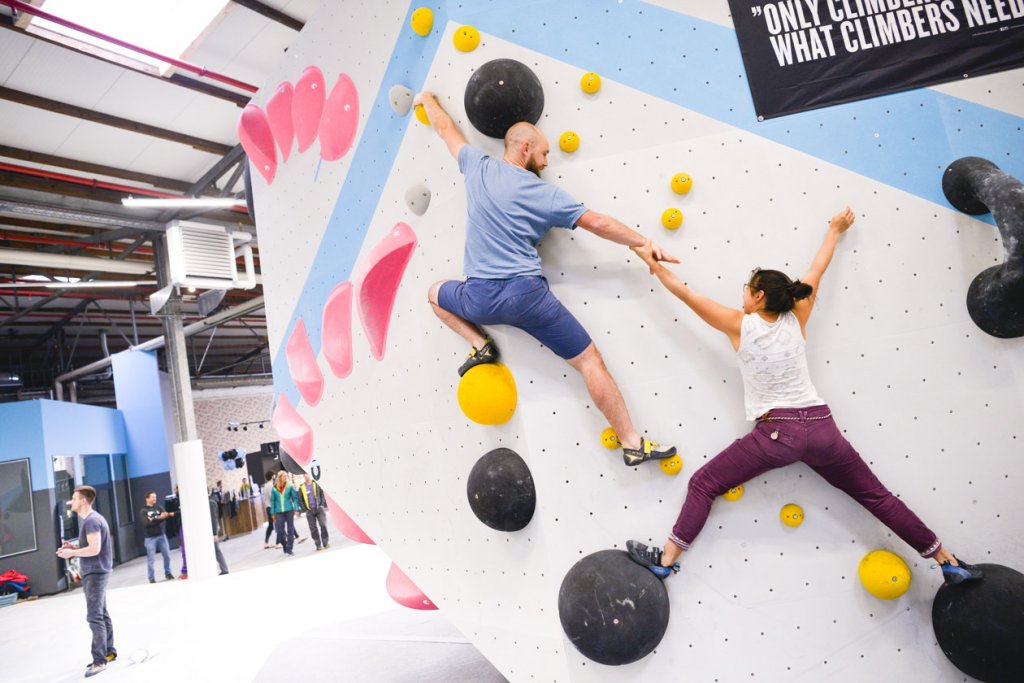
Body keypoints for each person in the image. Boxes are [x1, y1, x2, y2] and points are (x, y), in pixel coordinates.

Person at [624, 207, 984, 587]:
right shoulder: (799, 315)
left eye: (746, 288)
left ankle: (666, 560)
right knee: (876, 496)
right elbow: (817, 269)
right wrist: (834, 230)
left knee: (703, 483)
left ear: (759, 295)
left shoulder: (739, 325)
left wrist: (652, 264)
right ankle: (946, 560)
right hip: (823, 428)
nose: (742, 294)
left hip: (779, 433)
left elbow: (685, 293)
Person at [415, 91, 679, 467]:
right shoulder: (545, 194)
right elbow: (599, 223)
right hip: (526, 296)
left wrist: (427, 99)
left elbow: (445, 130)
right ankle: (632, 443)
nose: (546, 158)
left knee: (434, 292)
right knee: (590, 361)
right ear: (525, 147)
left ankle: (479, 344)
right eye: (543, 152)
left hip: (480, 300)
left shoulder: (478, 167)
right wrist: (642, 243)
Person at [56, 486, 115, 678]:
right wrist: (74, 546)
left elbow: (95, 549)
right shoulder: (92, 520)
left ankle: (99, 661)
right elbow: (90, 546)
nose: (71, 502)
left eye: (74, 499)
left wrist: (71, 553)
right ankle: (109, 651)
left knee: (94, 616)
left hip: (96, 573)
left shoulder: (91, 521)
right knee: (102, 613)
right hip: (98, 571)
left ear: (83, 501)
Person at [140, 491, 175, 584]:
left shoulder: (158, 507)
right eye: (152, 497)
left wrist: (154, 519)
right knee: (151, 558)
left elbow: (165, 516)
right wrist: (159, 518)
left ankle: (168, 573)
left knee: (167, 555)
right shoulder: (143, 511)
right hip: (150, 538)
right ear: (147, 498)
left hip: (161, 536)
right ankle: (151, 578)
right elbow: (146, 524)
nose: (154, 499)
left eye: (155, 497)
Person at [296, 473, 330, 551]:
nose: (305, 476)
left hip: (319, 509)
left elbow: (322, 494)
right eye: (304, 475)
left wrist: (321, 504)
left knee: (323, 525)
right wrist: (305, 509)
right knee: (313, 529)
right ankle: (318, 545)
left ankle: (325, 542)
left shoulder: (316, 484)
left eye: (306, 474)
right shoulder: (301, 488)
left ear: (309, 474)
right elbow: (300, 500)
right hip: (309, 511)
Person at [270, 471, 299, 556]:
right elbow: (272, 501)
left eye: (286, 476)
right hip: (279, 512)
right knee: (280, 531)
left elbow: (295, 498)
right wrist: (273, 513)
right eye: (284, 476)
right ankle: (285, 545)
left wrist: (296, 509)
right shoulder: (274, 488)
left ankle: (289, 548)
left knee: (290, 530)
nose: (286, 477)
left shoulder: (290, 486)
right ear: (280, 477)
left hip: (289, 510)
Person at [209, 493, 230, 575]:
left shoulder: (210, 502)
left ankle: (224, 569)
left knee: (216, 549)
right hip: (214, 528)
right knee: (215, 549)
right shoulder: (212, 500)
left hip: (213, 529)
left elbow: (213, 518)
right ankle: (224, 569)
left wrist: (214, 533)